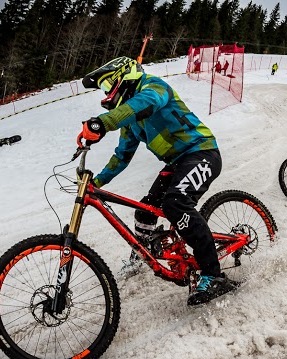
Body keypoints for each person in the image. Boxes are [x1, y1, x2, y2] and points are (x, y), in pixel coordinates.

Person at [78, 57, 235, 306]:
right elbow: (122, 157)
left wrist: (103, 122)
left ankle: (213, 275)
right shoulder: (130, 121)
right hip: (177, 163)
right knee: (144, 212)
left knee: (175, 204)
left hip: (202, 152)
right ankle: (143, 255)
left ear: (124, 76)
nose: (107, 93)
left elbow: (147, 103)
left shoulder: (153, 87)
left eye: (108, 86)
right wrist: (97, 181)